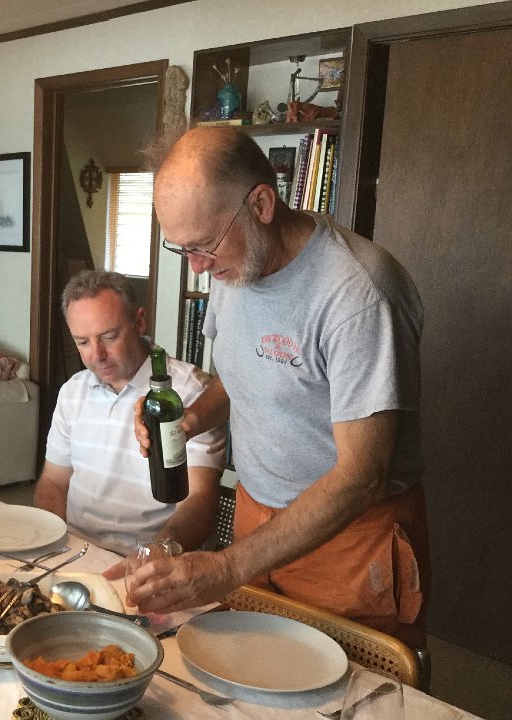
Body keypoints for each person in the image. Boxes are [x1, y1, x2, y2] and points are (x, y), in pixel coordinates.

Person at [117, 126, 430, 647]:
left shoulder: (359, 294)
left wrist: (224, 568)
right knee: (248, 672)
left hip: (351, 542)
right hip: (256, 521)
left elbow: (362, 476)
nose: (197, 267)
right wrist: (190, 421)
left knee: (348, 687)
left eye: (204, 245)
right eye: (183, 249)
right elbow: (241, 375)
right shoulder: (234, 267)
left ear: (261, 204)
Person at [33, 269, 226, 556]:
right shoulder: (73, 391)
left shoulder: (190, 394)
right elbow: (53, 482)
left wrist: (153, 555)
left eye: (109, 337)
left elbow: (200, 501)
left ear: (139, 322)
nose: (96, 355)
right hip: (74, 553)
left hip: (149, 558)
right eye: (82, 342)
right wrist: (49, 544)